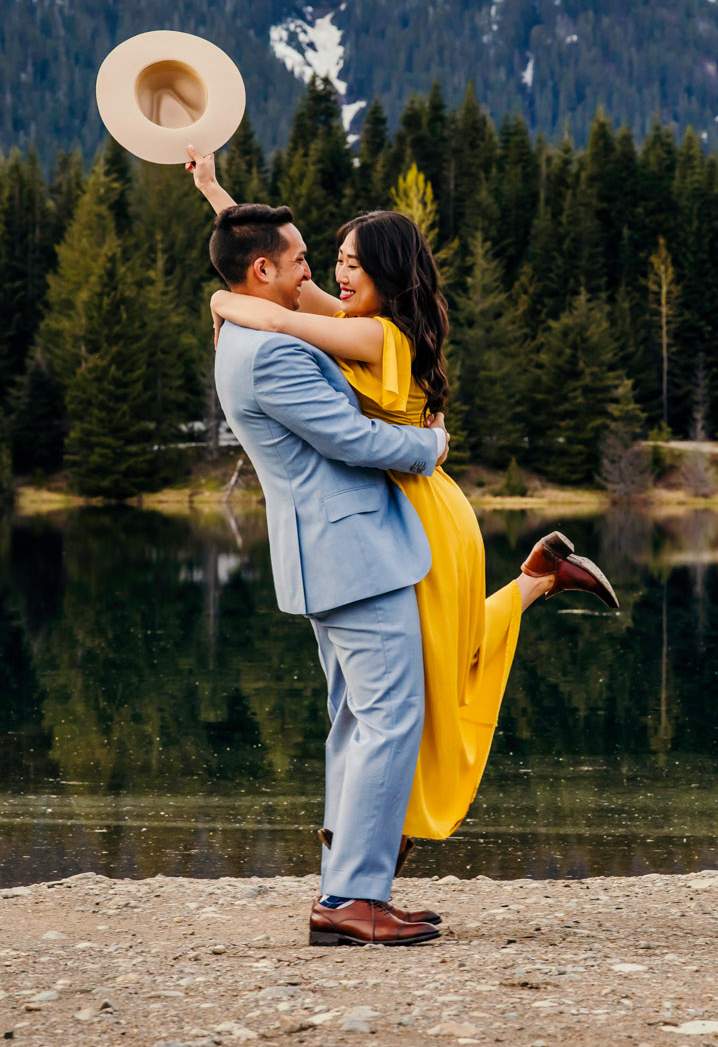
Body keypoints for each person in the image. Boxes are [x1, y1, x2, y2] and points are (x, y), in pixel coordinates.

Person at [188, 146, 617, 881]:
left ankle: (370, 854)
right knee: (426, 665)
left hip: (415, 515)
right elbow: (263, 268)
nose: (333, 274)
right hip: (399, 510)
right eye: (331, 260)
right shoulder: (360, 315)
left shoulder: (373, 333)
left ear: (385, 271)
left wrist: (226, 302)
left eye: (351, 262)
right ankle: (540, 580)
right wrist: (213, 192)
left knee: (430, 672)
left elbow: (272, 305)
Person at [207, 198, 447, 947]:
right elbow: (349, 439)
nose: (314, 270)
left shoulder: (242, 333)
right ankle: (352, 899)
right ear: (262, 269)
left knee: (355, 722)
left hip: (331, 557)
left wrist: (216, 190)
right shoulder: (269, 350)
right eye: (302, 258)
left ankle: (347, 890)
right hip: (353, 556)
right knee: (389, 718)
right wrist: (429, 448)